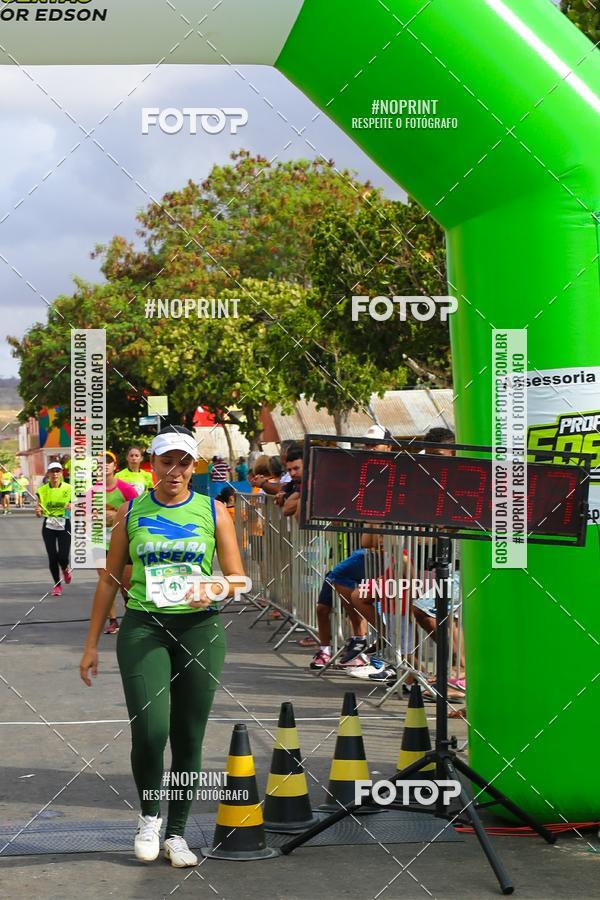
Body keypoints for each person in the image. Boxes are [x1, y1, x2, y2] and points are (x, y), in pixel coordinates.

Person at [79, 426, 246, 868]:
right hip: (144, 629)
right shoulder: (131, 511)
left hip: (199, 630)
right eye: (166, 461)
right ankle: (150, 818)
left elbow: (239, 579)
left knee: (189, 735)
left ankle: (177, 833)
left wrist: (212, 587)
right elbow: (109, 580)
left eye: (183, 462)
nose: (175, 471)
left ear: (194, 467)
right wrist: (91, 644)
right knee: (151, 731)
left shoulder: (213, 510)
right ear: (152, 465)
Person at [89, 451, 139, 635]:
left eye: (108, 462)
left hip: (123, 542)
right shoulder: (91, 492)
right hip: (100, 543)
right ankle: (112, 620)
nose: (104, 465)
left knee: (127, 585)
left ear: (114, 466)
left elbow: (138, 512)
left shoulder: (125, 489)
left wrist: (116, 516)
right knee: (106, 582)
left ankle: (132, 616)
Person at [35, 461, 72, 596]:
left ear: (61, 473)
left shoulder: (69, 488)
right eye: (52, 471)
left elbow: (79, 506)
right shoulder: (42, 490)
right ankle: (57, 585)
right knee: (52, 557)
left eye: (58, 471)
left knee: (63, 556)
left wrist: (72, 506)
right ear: (48, 474)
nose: (55, 474)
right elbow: (38, 510)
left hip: (64, 524)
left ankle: (65, 568)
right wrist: (38, 511)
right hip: (49, 526)